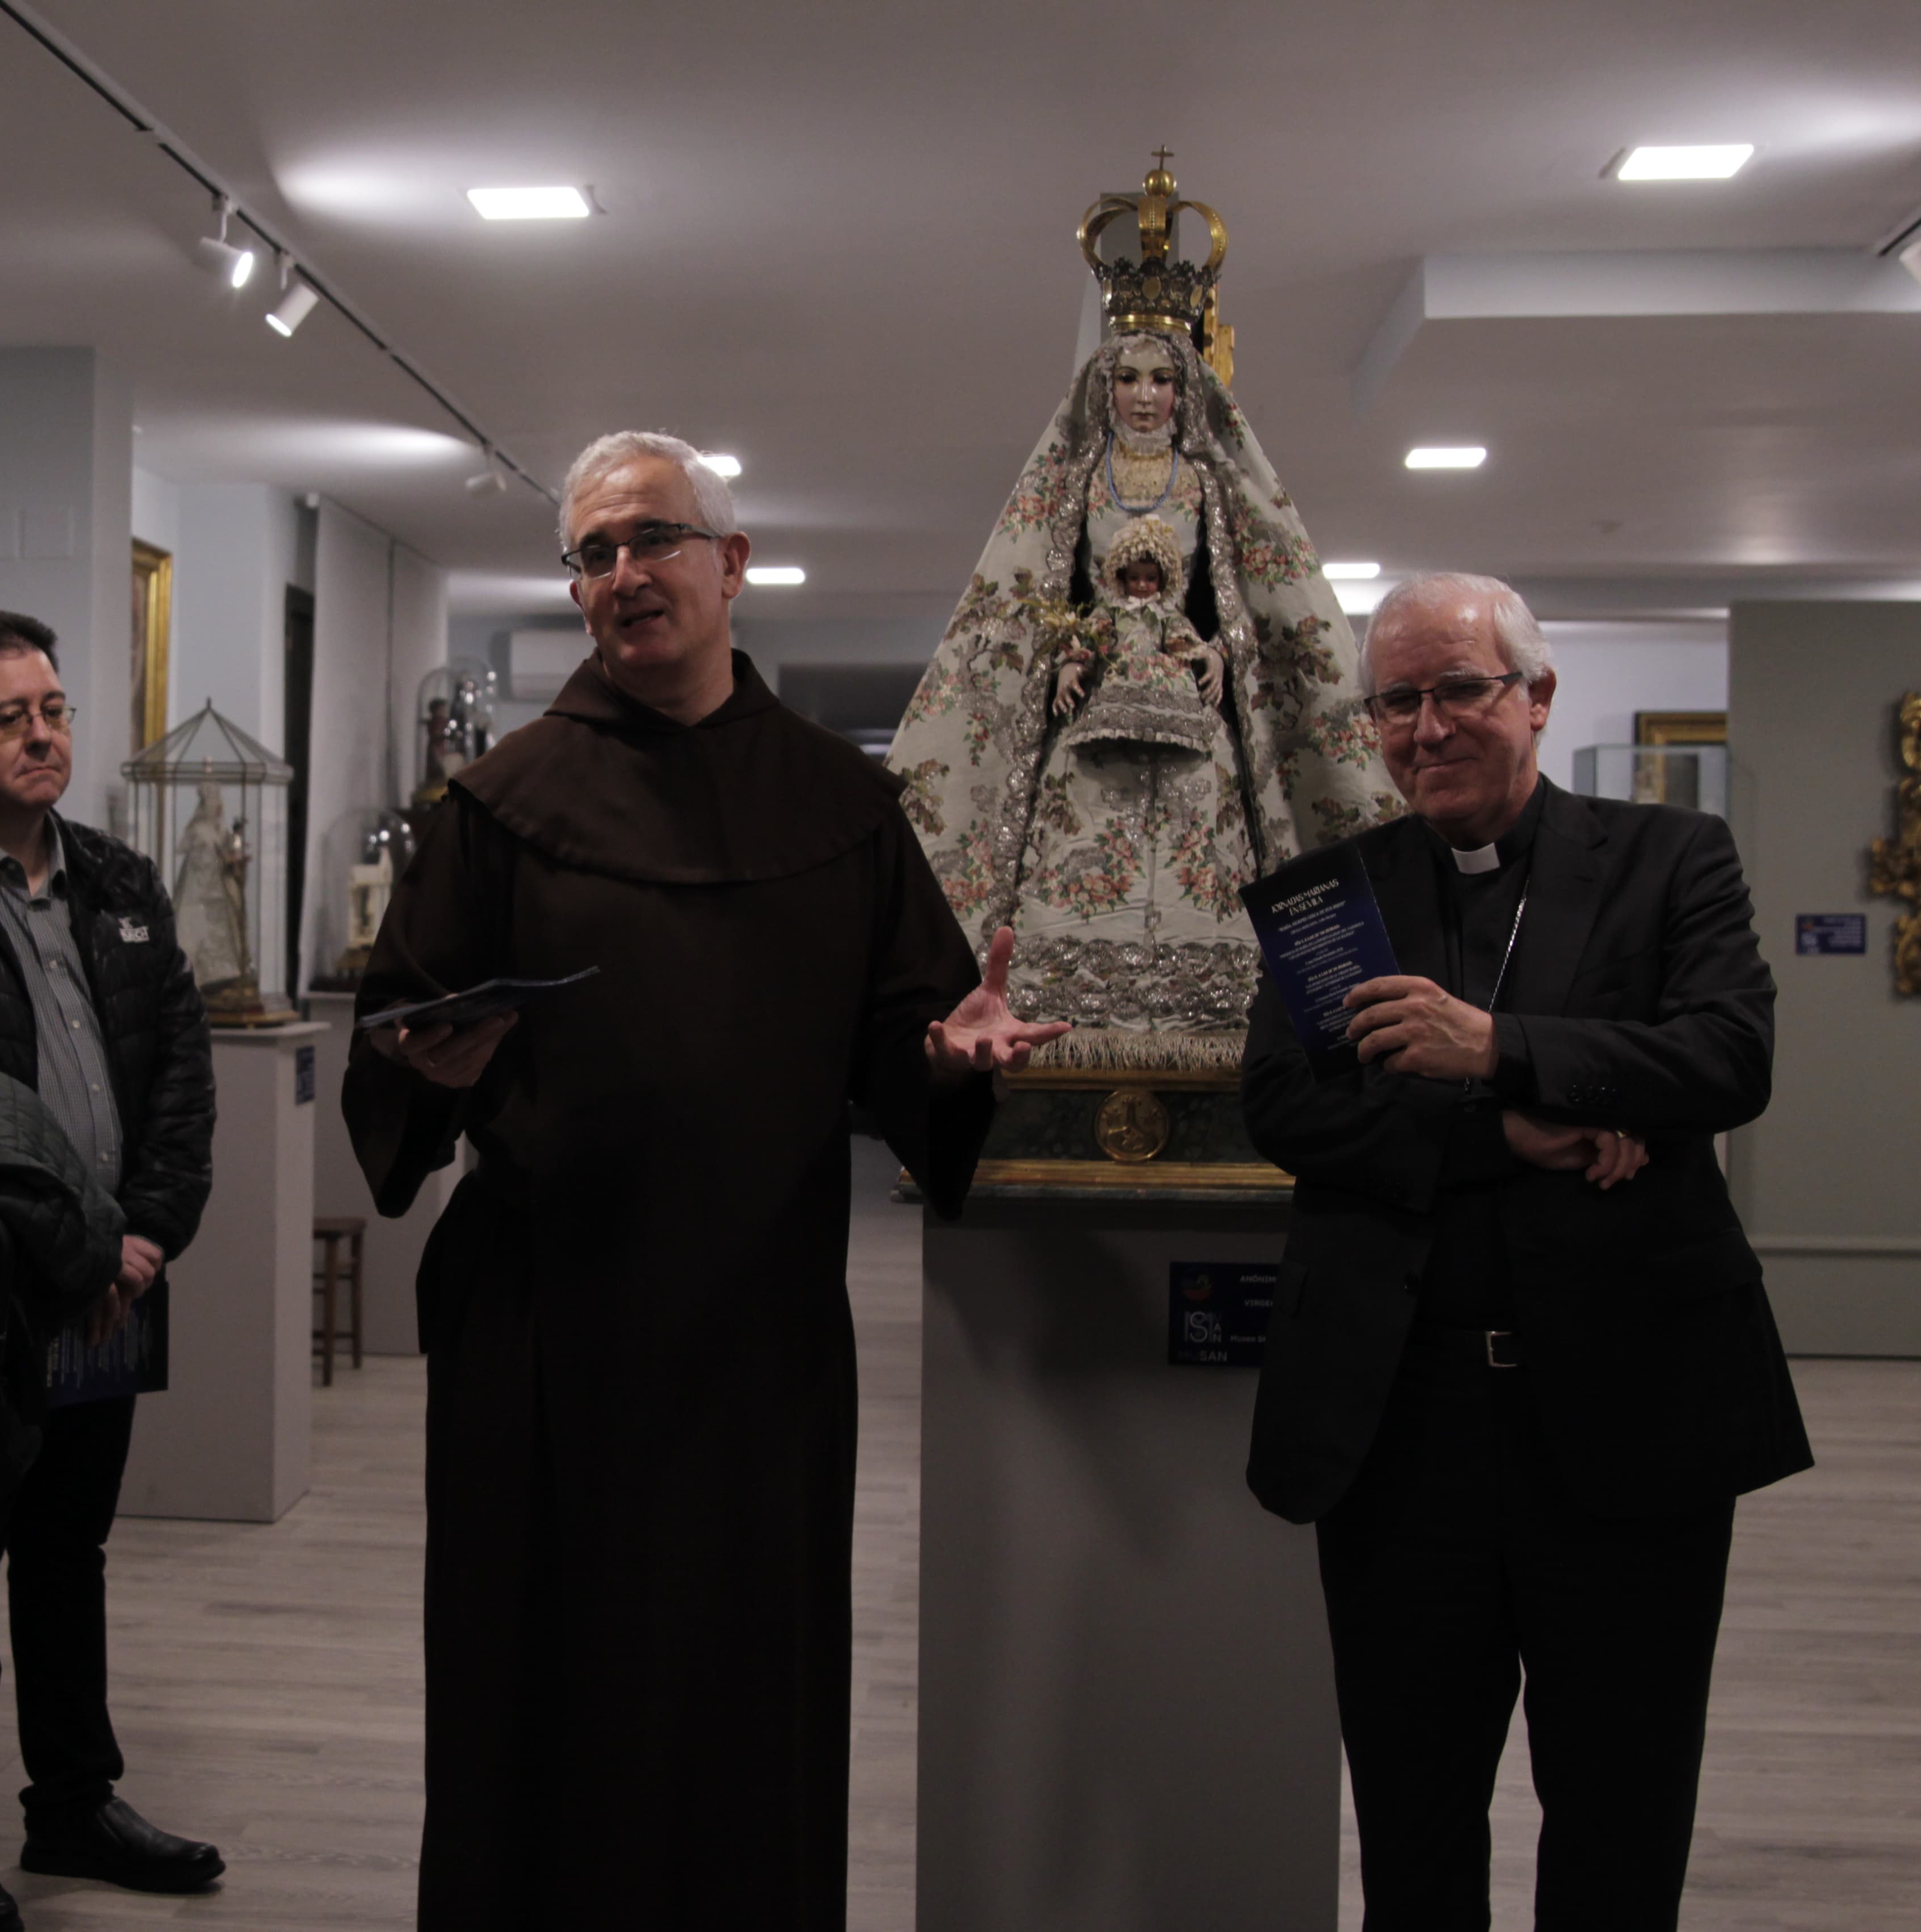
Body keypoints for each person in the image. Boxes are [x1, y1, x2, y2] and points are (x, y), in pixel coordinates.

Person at [345, 430, 1067, 1931]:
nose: (622, 574)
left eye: (653, 540)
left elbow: (904, 1040)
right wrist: (433, 1073)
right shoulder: (498, 805)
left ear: (730, 565)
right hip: (546, 1329)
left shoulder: (844, 808)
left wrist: (952, 1056)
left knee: (745, 1691)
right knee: (532, 1685)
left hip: (755, 1338)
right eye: (594, 553)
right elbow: (396, 1045)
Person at [1241, 572, 1813, 1931]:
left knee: (1619, 1809)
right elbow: (1289, 1106)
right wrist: (1529, 1123)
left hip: (1629, 1418)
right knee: (1412, 1807)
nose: (1424, 725)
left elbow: (1728, 1055)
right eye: (1395, 699)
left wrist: (1501, 1047)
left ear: (1535, 698)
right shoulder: (1332, 899)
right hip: (1401, 1426)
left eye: (1458, 689)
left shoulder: (1672, 860)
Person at [0, 611, 223, 1910]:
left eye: (57, 709)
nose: (43, 734)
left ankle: (72, 1802)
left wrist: (146, 1229)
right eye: (11, 715)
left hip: (107, 1289)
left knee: (69, 1555)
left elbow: (178, 1076)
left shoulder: (120, 880)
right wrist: (27, 1240)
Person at [886, 188, 1395, 1069]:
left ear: (1186, 385)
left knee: (1210, 838)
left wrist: (1217, 651)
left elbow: (1245, 603)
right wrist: (1066, 658)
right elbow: (1036, 598)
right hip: (1093, 711)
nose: (1146, 396)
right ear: (1102, 384)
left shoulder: (1212, 480)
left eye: (1162, 378)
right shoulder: (1074, 482)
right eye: (1127, 377)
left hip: (1191, 713)